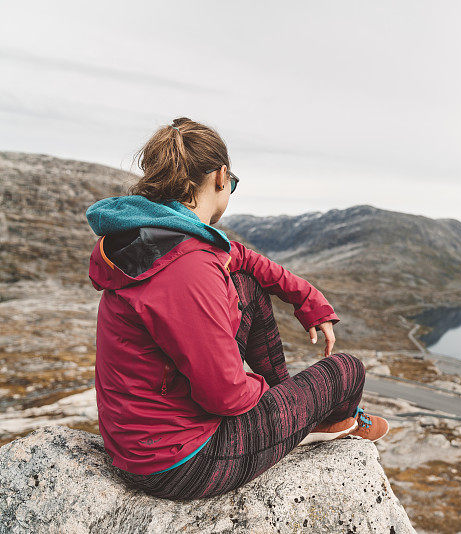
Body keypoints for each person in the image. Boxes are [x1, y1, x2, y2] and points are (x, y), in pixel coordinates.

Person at [84, 116, 389, 501]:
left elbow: (238, 257)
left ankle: (295, 415)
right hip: (184, 462)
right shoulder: (188, 271)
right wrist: (282, 402)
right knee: (347, 370)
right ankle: (322, 421)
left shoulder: (154, 239)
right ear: (221, 177)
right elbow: (224, 396)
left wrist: (307, 299)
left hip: (145, 444)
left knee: (247, 286)